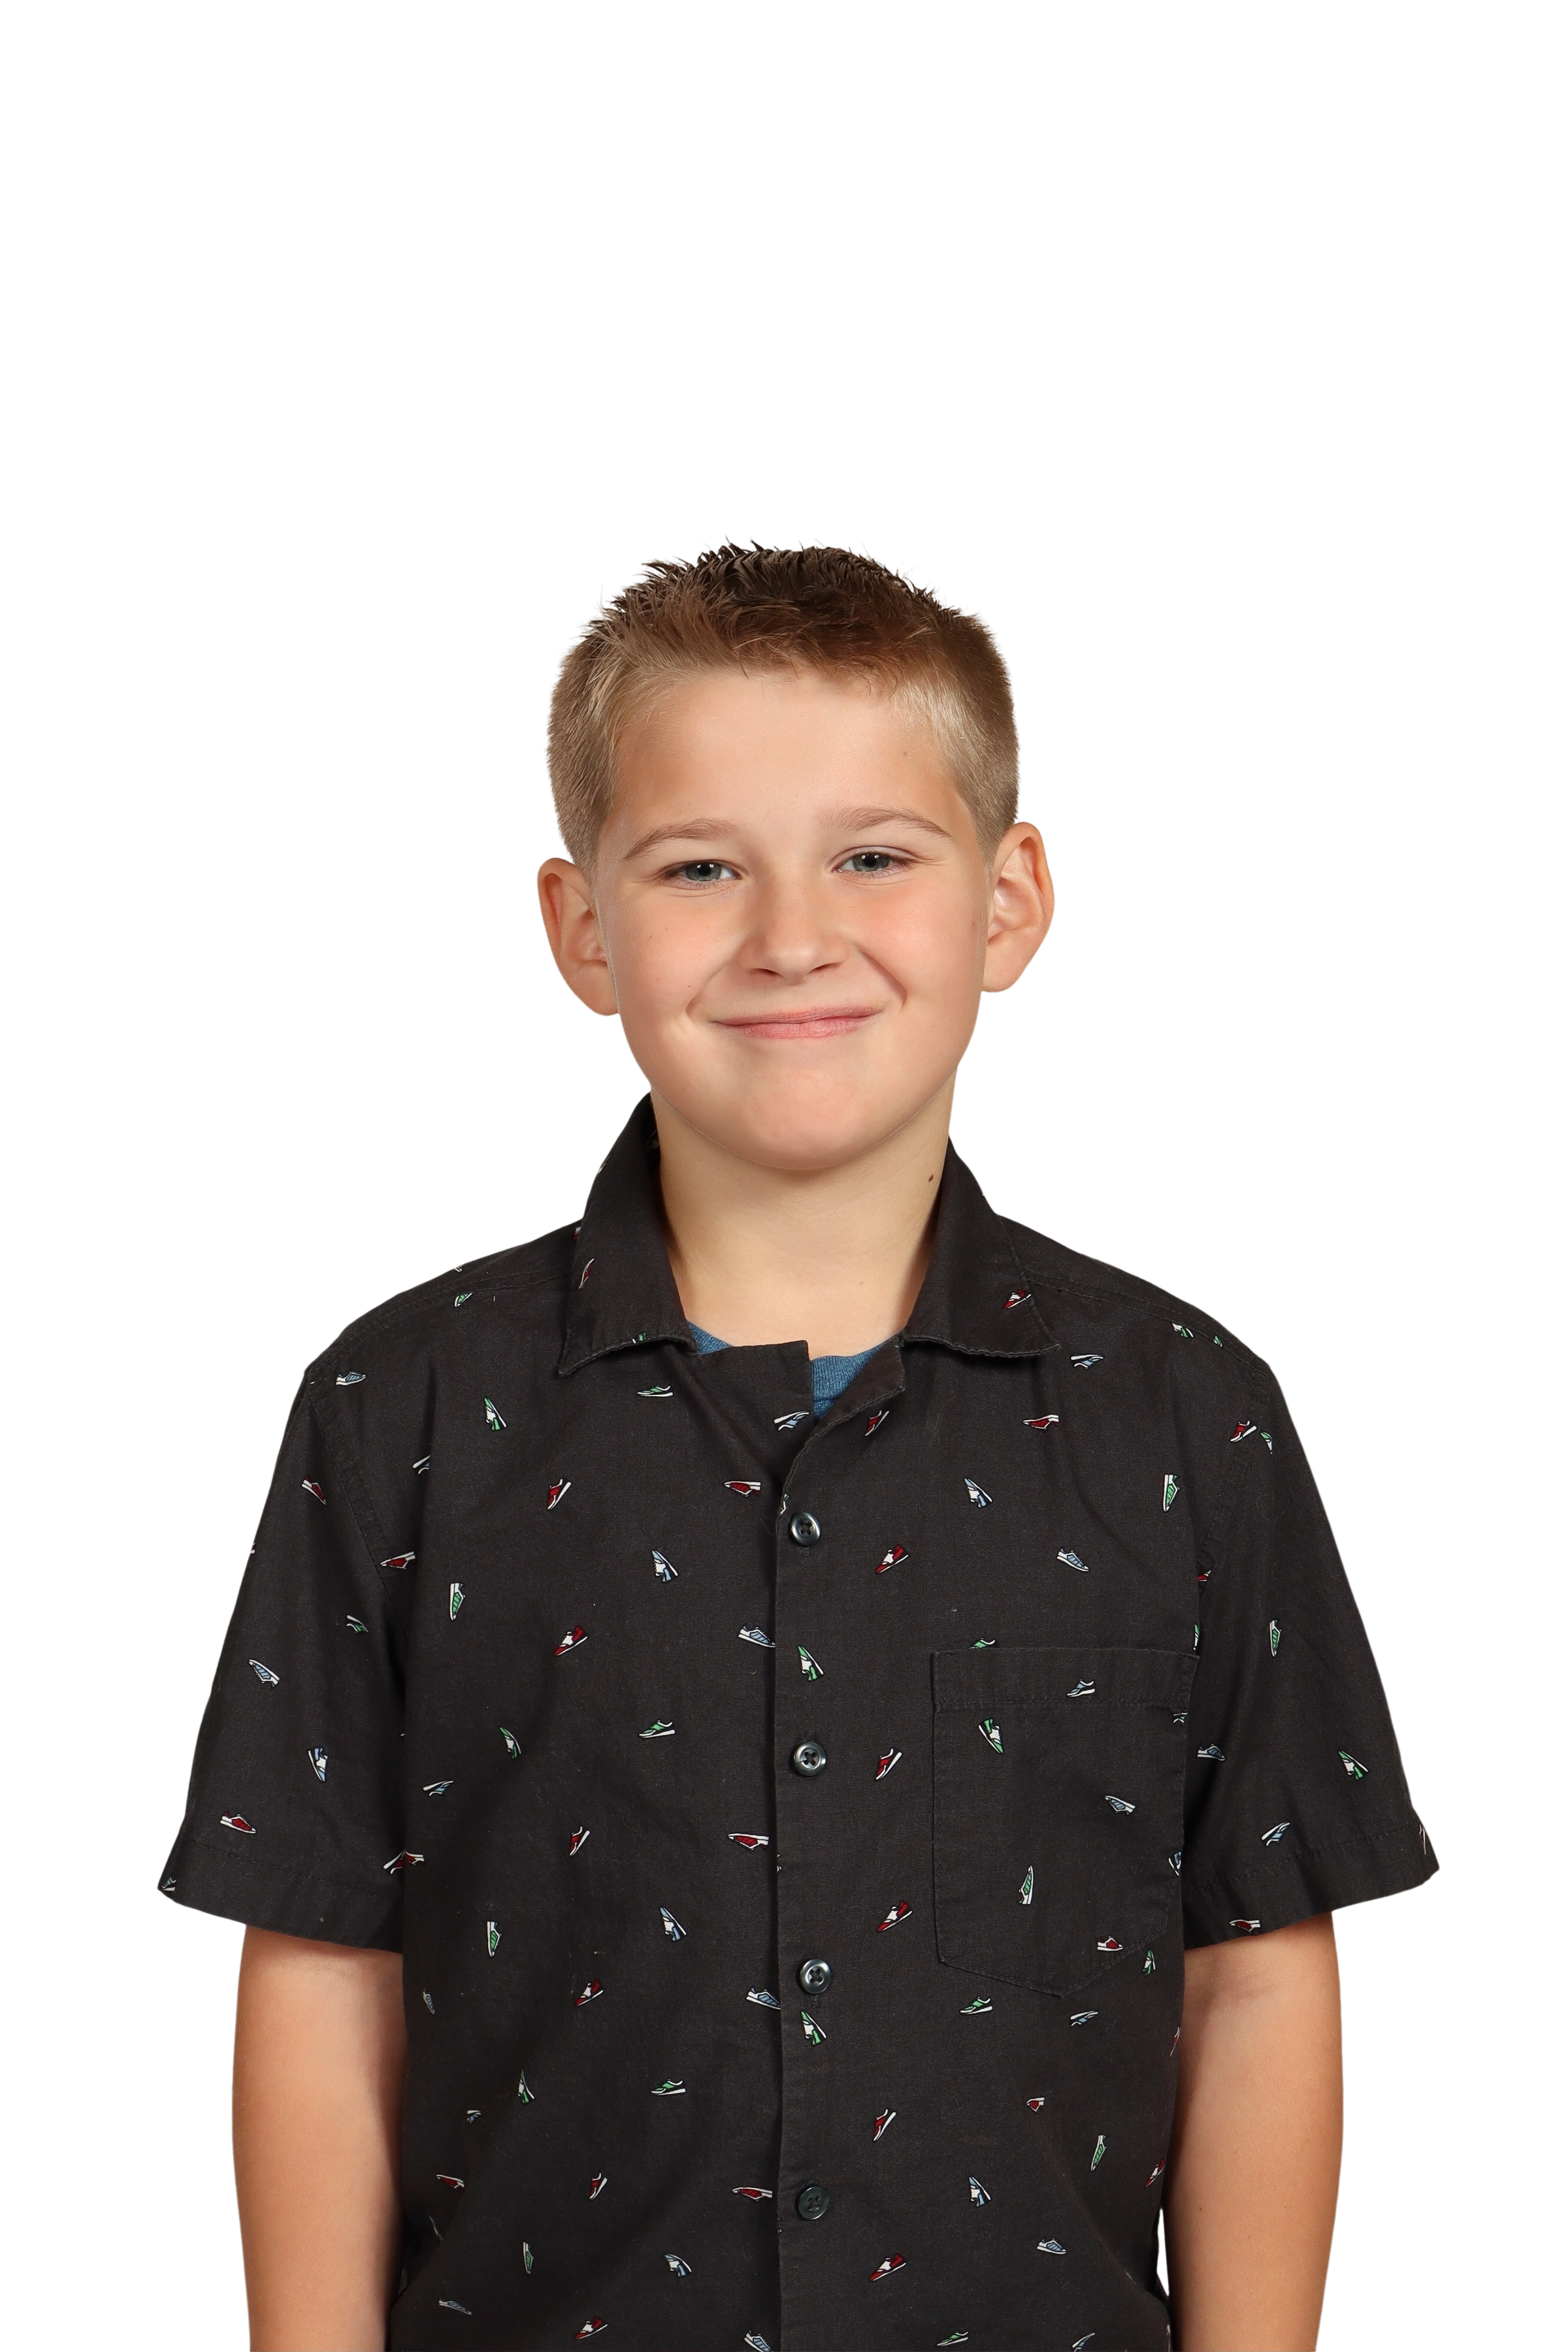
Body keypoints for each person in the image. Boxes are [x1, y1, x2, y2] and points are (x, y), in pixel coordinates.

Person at [154, 534, 1437, 2351]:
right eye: (701, 867)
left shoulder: (1187, 1411)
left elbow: (1257, 1971)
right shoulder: (398, 1407)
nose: (792, 938)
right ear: (581, 928)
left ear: (1009, 902)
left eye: (874, 857)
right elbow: (318, 1960)